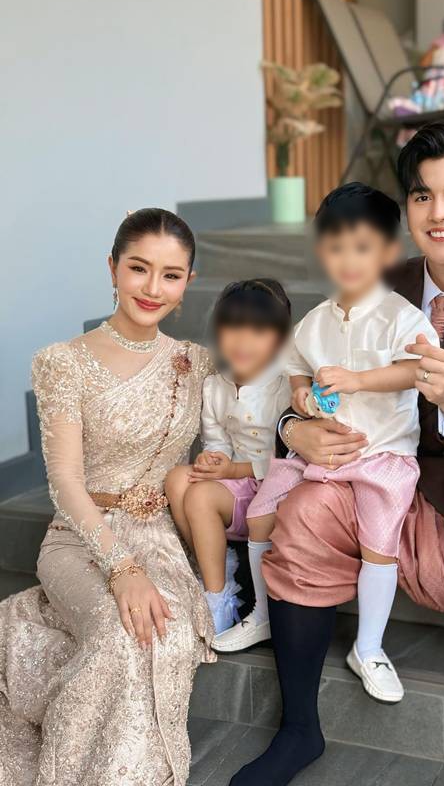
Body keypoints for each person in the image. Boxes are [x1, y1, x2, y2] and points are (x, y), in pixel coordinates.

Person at [229, 122, 444, 786]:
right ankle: (298, 729)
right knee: (308, 503)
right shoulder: (367, 282)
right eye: (422, 195)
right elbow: (301, 375)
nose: (439, 212)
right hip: (369, 478)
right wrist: (295, 429)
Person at [0, 208, 217, 786]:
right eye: (138, 268)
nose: (153, 288)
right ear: (112, 268)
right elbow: (64, 482)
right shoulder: (63, 361)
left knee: (162, 635)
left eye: (171, 275)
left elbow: (252, 416)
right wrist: (121, 568)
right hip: (79, 536)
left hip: (160, 538)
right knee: (118, 636)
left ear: (188, 282)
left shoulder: (194, 362)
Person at [217, 184, 438, 706]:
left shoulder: (402, 317)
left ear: (388, 252)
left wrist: (359, 381)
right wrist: (301, 395)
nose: (348, 261)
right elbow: (295, 366)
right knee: (262, 514)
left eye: (362, 248)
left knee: (379, 542)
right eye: (336, 248)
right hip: (316, 453)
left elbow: (417, 370)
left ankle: (369, 645)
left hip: (380, 454)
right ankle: (264, 614)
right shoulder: (315, 321)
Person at [165, 279, 292, 639]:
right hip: (235, 485)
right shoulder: (215, 385)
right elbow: (217, 438)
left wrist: (233, 469)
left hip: (273, 489)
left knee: (200, 496)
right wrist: (214, 459)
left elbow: (289, 454)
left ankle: (217, 598)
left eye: (258, 332)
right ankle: (220, 567)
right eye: (233, 329)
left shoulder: (283, 385)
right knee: (177, 479)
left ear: (280, 339)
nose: (243, 342)